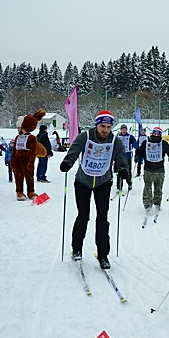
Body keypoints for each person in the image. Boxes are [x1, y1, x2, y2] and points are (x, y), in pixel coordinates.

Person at [59, 110, 129, 269]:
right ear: (97, 125)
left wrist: (123, 169)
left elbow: (121, 159)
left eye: (108, 126)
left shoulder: (115, 142)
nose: (105, 130)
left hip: (103, 182)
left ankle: (103, 254)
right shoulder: (86, 136)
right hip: (83, 181)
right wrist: (67, 163)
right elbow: (74, 150)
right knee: (83, 216)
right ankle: (77, 249)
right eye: (102, 126)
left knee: (102, 218)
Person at [135, 127, 169, 214]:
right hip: (148, 169)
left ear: (160, 135)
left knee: (158, 188)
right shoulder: (146, 142)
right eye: (154, 133)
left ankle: (157, 203)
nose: (156, 135)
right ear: (152, 133)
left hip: (159, 169)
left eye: (158, 133)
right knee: (147, 187)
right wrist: (137, 155)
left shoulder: (163, 143)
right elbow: (140, 151)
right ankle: (147, 204)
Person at [11, 109, 45, 200]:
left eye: (19, 127)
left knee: (29, 177)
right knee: (18, 177)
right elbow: (14, 150)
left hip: (27, 159)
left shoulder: (32, 138)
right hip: (18, 159)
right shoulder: (18, 137)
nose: (18, 129)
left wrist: (31, 162)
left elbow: (33, 151)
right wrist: (12, 160)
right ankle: (19, 192)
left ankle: (30, 191)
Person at [116, 124, 138, 190]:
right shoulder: (117, 136)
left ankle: (129, 183)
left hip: (127, 157)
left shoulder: (130, 137)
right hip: (119, 157)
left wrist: (135, 146)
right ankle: (119, 186)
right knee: (119, 171)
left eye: (125, 130)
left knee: (128, 171)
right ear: (121, 130)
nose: (124, 131)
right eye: (122, 129)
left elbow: (136, 145)